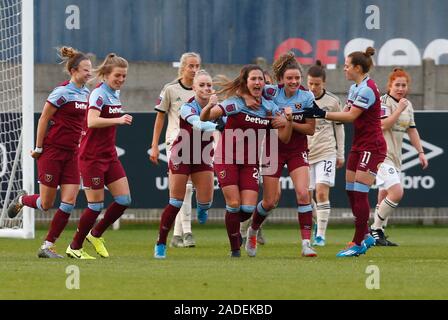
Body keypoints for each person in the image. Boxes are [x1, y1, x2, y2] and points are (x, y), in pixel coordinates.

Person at [7, 47, 91, 258]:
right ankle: (22, 200)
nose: (89, 73)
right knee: (46, 204)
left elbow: (82, 122)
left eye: (90, 70)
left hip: (72, 154)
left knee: (69, 201)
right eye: (85, 70)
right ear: (73, 70)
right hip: (52, 151)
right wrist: (38, 148)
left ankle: (47, 246)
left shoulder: (86, 93)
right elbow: (44, 119)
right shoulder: (61, 92)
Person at [200, 64, 293, 257]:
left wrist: (287, 122)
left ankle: (235, 227)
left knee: (248, 209)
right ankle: (235, 248)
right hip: (226, 158)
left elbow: (284, 137)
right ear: (246, 82)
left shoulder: (270, 108)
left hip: (249, 162)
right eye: (253, 79)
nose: (258, 82)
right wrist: (209, 105)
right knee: (234, 203)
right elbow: (205, 117)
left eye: (261, 79)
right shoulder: (235, 103)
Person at [304, 47, 384, 257]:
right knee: (351, 191)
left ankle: (359, 241)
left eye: (347, 66)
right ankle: (365, 234)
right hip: (359, 145)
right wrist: (320, 114)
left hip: (372, 146)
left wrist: (321, 113)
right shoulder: (355, 88)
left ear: (357, 68)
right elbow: (344, 114)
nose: (344, 69)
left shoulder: (367, 89)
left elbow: (351, 117)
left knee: (360, 192)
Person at [243, 52, 317, 258]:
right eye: (289, 78)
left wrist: (290, 122)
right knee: (269, 201)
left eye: (297, 78)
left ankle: (306, 244)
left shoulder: (307, 96)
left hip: (297, 150)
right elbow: (247, 88)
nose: (294, 81)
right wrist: (248, 98)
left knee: (303, 194)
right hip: (272, 150)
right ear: (281, 80)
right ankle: (253, 231)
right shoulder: (270, 92)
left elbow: (311, 129)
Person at [66, 53, 133, 259]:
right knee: (95, 206)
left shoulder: (115, 93)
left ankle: (95, 235)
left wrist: (117, 119)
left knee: (124, 200)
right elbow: (92, 121)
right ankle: (74, 247)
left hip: (109, 155)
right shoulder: (98, 94)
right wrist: (119, 120)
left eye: (124, 76)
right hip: (91, 157)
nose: (121, 80)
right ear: (105, 74)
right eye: (117, 76)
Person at [154, 70, 222, 259]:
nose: (206, 88)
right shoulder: (186, 107)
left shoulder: (216, 107)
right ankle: (161, 244)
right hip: (181, 154)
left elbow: (230, 117)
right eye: (201, 85)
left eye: (209, 85)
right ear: (193, 88)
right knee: (175, 202)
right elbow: (199, 124)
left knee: (206, 201)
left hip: (202, 156)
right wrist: (218, 126)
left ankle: (202, 208)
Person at [370, 68, 428, 246]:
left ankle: (379, 235)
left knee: (384, 194)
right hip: (381, 154)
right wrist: (399, 109)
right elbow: (383, 125)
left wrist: (421, 152)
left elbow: (412, 130)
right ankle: (374, 229)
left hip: (395, 157)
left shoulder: (407, 105)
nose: (401, 88)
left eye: (404, 85)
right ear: (390, 85)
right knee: (396, 192)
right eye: (397, 85)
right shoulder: (384, 102)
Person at [149, 52, 201, 248]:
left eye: (197, 66)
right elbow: (160, 117)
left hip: (197, 143)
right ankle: (186, 232)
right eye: (191, 66)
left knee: (186, 190)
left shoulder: (201, 90)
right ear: (183, 67)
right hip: (175, 141)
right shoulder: (170, 89)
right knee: (183, 188)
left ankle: (177, 235)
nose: (194, 70)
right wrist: (155, 145)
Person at [306, 60, 345, 246]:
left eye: (317, 84)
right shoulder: (302, 99)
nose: (313, 88)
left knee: (321, 192)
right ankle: (316, 222)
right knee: (306, 196)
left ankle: (321, 234)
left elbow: (339, 128)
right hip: (306, 153)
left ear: (324, 83)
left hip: (326, 151)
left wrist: (340, 153)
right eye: (310, 83)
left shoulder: (333, 101)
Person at [239, 69, 274, 246]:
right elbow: (236, 89)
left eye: (266, 81)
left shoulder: (274, 99)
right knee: (247, 197)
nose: (262, 84)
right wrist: (245, 96)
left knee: (272, 198)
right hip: (251, 151)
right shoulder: (248, 99)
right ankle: (244, 230)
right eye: (259, 80)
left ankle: (254, 228)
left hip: (271, 150)